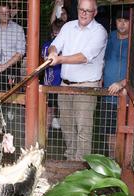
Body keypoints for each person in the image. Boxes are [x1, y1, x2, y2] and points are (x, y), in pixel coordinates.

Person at [46, 0, 107, 160]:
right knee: (66, 126)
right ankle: (70, 158)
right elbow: (55, 44)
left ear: (95, 12)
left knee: (83, 129)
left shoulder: (99, 32)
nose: (84, 13)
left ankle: (80, 165)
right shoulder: (68, 26)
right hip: (64, 85)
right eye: (81, 9)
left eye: (88, 11)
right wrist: (53, 52)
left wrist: (59, 60)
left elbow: (84, 57)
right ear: (78, 9)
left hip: (86, 87)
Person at [100, 8, 129, 158]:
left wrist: (122, 83)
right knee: (109, 131)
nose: (122, 24)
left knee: (123, 132)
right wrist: (100, 78)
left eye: (126, 21)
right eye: (119, 21)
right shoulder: (110, 37)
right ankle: (111, 160)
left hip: (125, 97)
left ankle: (123, 163)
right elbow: (103, 60)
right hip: (108, 94)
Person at [41, 18, 64, 130]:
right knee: (49, 108)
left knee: (64, 110)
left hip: (64, 84)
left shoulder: (69, 46)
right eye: (55, 32)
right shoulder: (47, 46)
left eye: (59, 33)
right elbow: (47, 60)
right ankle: (45, 134)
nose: (56, 35)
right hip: (50, 83)